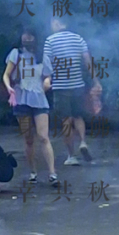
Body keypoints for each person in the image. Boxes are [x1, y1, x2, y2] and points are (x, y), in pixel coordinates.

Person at [4, 28, 57, 185]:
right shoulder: (16, 53)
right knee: (28, 139)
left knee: (43, 136)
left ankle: (52, 173)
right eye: (24, 34)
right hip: (21, 99)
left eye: (30, 35)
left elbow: (47, 76)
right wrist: (8, 87)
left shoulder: (42, 56)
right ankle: (33, 171)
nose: (26, 37)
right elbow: (6, 74)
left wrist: (47, 82)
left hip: (39, 99)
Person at [43, 16, 94, 165]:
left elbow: (47, 64)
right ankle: (83, 142)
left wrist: (47, 79)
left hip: (60, 87)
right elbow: (87, 61)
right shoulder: (78, 39)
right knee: (78, 116)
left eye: (52, 22)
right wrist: (95, 81)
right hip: (77, 84)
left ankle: (71, 156)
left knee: (66, 121)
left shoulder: (50, 41)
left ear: (58, 23)